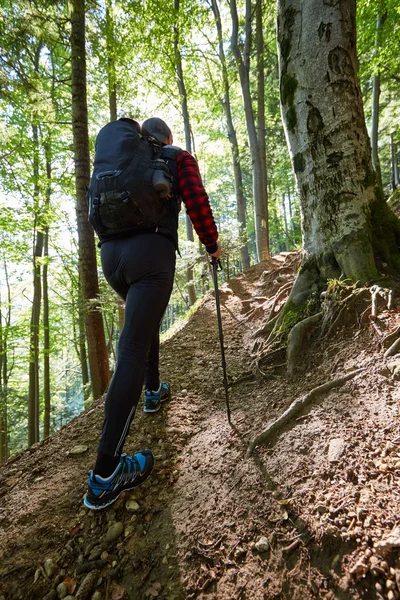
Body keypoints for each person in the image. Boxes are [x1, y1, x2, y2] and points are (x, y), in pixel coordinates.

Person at [84, 117, 222, 510]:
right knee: (132, 347)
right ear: (167, 137)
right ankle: (105, 475)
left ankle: (153, 390)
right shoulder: (174, 156)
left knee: (141, 330)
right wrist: (212, 245)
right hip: (151, 255)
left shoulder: (121, 160)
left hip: (111, 258)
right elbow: (196, 200)